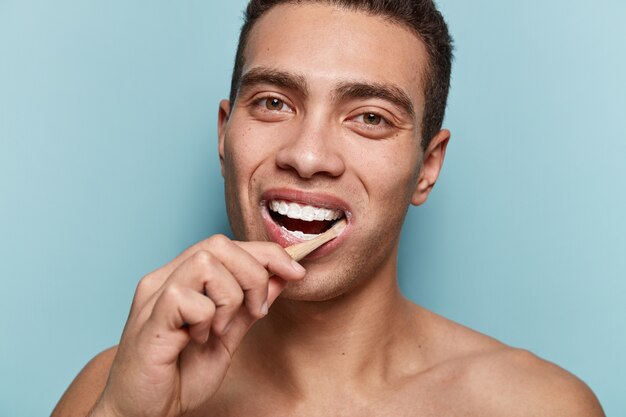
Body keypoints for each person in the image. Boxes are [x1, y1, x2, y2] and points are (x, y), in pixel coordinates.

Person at [52, 1, 605, 416]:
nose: (308, 156)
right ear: (225, 136)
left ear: (427, 167)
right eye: (273, 103)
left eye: (370, 117)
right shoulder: (112, 390)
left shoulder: (535, 406)